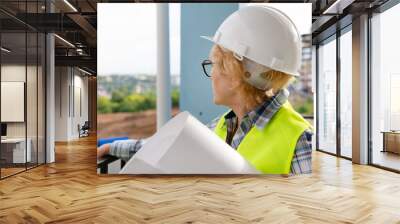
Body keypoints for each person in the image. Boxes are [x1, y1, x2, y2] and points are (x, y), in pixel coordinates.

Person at [97, 5, 313, 175]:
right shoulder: (222, 126)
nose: (212, 75)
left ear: (237, 74)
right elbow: (166, 145)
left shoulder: (301, 140)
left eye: (214, 65)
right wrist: (112, 147)